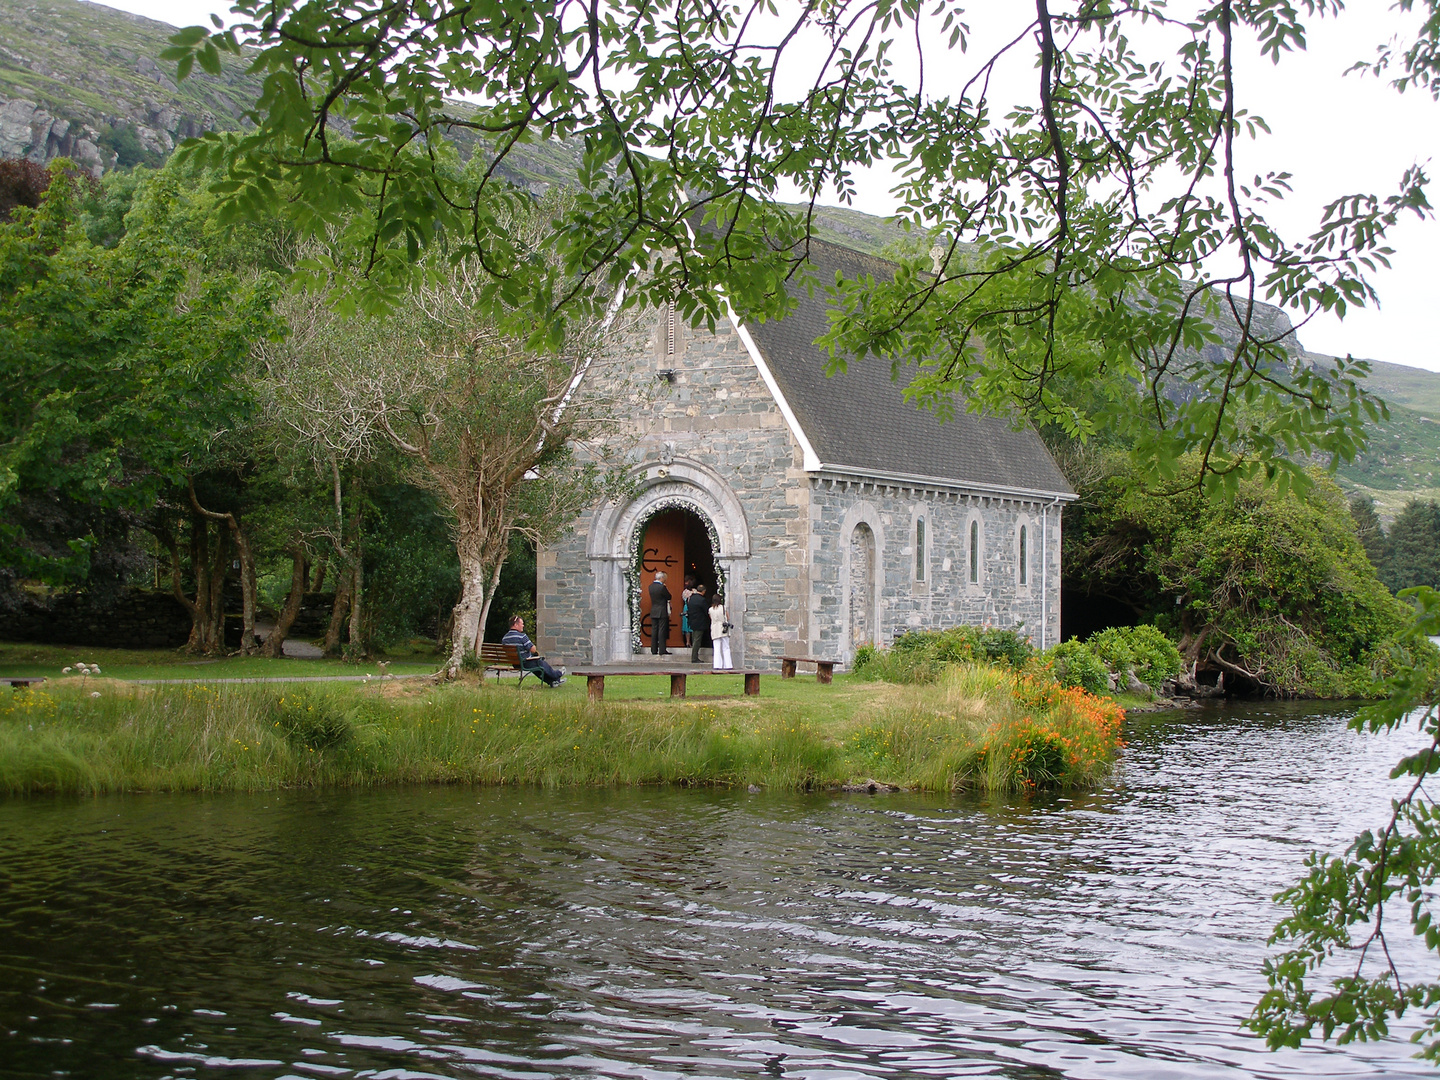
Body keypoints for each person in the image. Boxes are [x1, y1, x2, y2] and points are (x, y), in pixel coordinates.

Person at [500, 615, 565, 687]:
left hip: (515, 663)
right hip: (525, 662)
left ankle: (552, 682)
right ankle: (558, 674)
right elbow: (533, 650)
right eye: (522, 623)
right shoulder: (522, 636)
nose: (523, 626)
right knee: (540, 662)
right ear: (515, 624)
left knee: (537, 666)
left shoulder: (505, 638)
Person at [648, 571, 672, 655]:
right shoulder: (662, 587)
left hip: (654, 609)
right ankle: (662, 649)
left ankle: (653, 649)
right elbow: (669, 596)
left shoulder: (650, 587)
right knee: (661, 630)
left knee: (654, 630)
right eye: (664, 578)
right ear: (661, 578)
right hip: (662, 610)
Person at [686, 583, 709, 663]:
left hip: (692, 621)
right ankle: (694, 658)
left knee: (694, 639)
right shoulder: (702, 600)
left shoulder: (691, 598)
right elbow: (706, 611)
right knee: (697, 640)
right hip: (700, 622)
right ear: (703, 591)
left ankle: (694, 656)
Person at [709, 593, 732, 671]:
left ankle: (717, 665)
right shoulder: (723, 608)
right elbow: (728, 617)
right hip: (723, 628)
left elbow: (711, 618)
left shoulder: (710, 609)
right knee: (726, 647)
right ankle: (728, 665)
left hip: (715, 628)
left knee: (716, 647)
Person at [680, 574, 696, 647]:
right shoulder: (694, 591)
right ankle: (692, 642)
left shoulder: (684, 592)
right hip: (692, 608)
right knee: (691, 625)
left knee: (687, 625)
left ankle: (687, 642)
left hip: (686, 607)